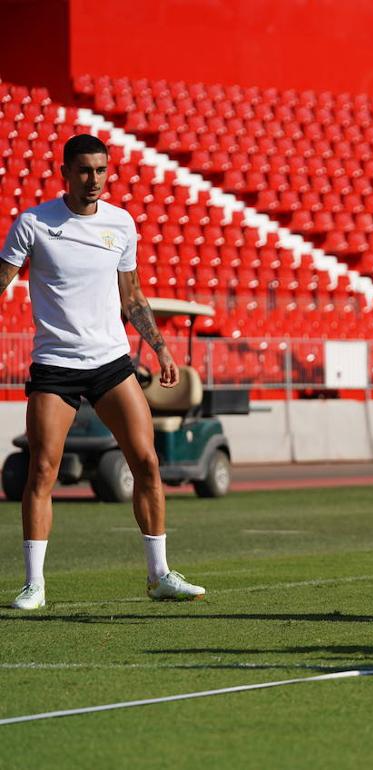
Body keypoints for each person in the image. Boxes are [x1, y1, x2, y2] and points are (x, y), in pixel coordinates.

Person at [0, 134, 206, 610]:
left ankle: (159, 575)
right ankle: (34, 584)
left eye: (101, 170)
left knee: (148, 464)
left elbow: (131, 296)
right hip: (55, 365)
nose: (94, 180)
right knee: (43, 471)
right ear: (66, 173)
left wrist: (162, 350)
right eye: (85, 171)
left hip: (111, 363)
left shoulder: (121, 223)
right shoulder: (34, 222)